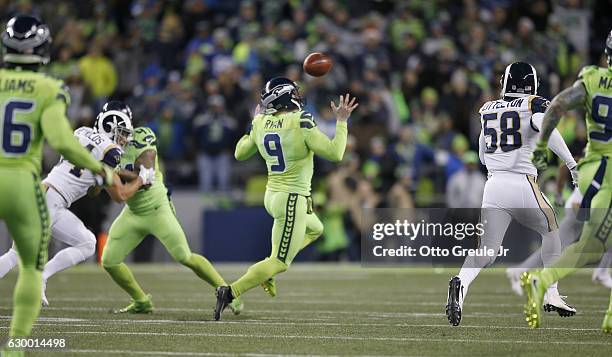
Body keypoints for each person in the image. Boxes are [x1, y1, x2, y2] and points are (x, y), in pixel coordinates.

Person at [0, 15, 113, 357]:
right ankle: (16, 346)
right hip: (22, 182)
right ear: (43, 49)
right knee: (30, 265)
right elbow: (62, 141)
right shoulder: (50, 88)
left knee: (16, 256)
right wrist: (100, 169)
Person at [213, 77, 358, 320]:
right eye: (295, 93)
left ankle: (265, 271)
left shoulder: (261, 122)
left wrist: (254, 122)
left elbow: (239, 153)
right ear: (286, 96)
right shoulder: (300, 120)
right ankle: (230, 292)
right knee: (280, 262)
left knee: (316, 229)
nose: (299, 97)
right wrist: (342, 122)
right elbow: (335, 153)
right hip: (292, 198)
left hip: (272, 196)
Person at [445, 62, 578, 326]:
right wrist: (572, 165)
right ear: (531, 84)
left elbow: (483, 155)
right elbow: (547, 125)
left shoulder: (488, 109)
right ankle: (551, 292)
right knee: (552, 229)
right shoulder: (533, 104)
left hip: (493, 186)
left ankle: (461, 284)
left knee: (487, 250)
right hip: (522, 181)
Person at [0, 101, 154, 305]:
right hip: (49, 200)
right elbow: (119, 196)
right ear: (110, 126)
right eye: (122, 132)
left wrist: (125, 176)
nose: (124, 139)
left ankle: (42, 277)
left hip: (48, 196)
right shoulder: (111, 152)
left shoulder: (81, 131)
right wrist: (141, 178)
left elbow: (93, 186)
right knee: (16, 254)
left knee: (87, 243)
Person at [522, 30, 612, 333]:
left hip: (590, 169)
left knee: (589, 244)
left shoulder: (593, 77)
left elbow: (557, 105)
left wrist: (540, 145)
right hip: (610, 174)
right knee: (589, 246)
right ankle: (541, 280)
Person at [101, 126, 243, 315]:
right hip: (133, 212)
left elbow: (148, 175)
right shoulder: (103, 146)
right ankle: (141, 301)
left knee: (184, 256)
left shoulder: (142, 137)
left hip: (157, 208)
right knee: (109, 261)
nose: (120, 135)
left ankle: (229, 293)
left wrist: (113, 171)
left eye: (122, 129)